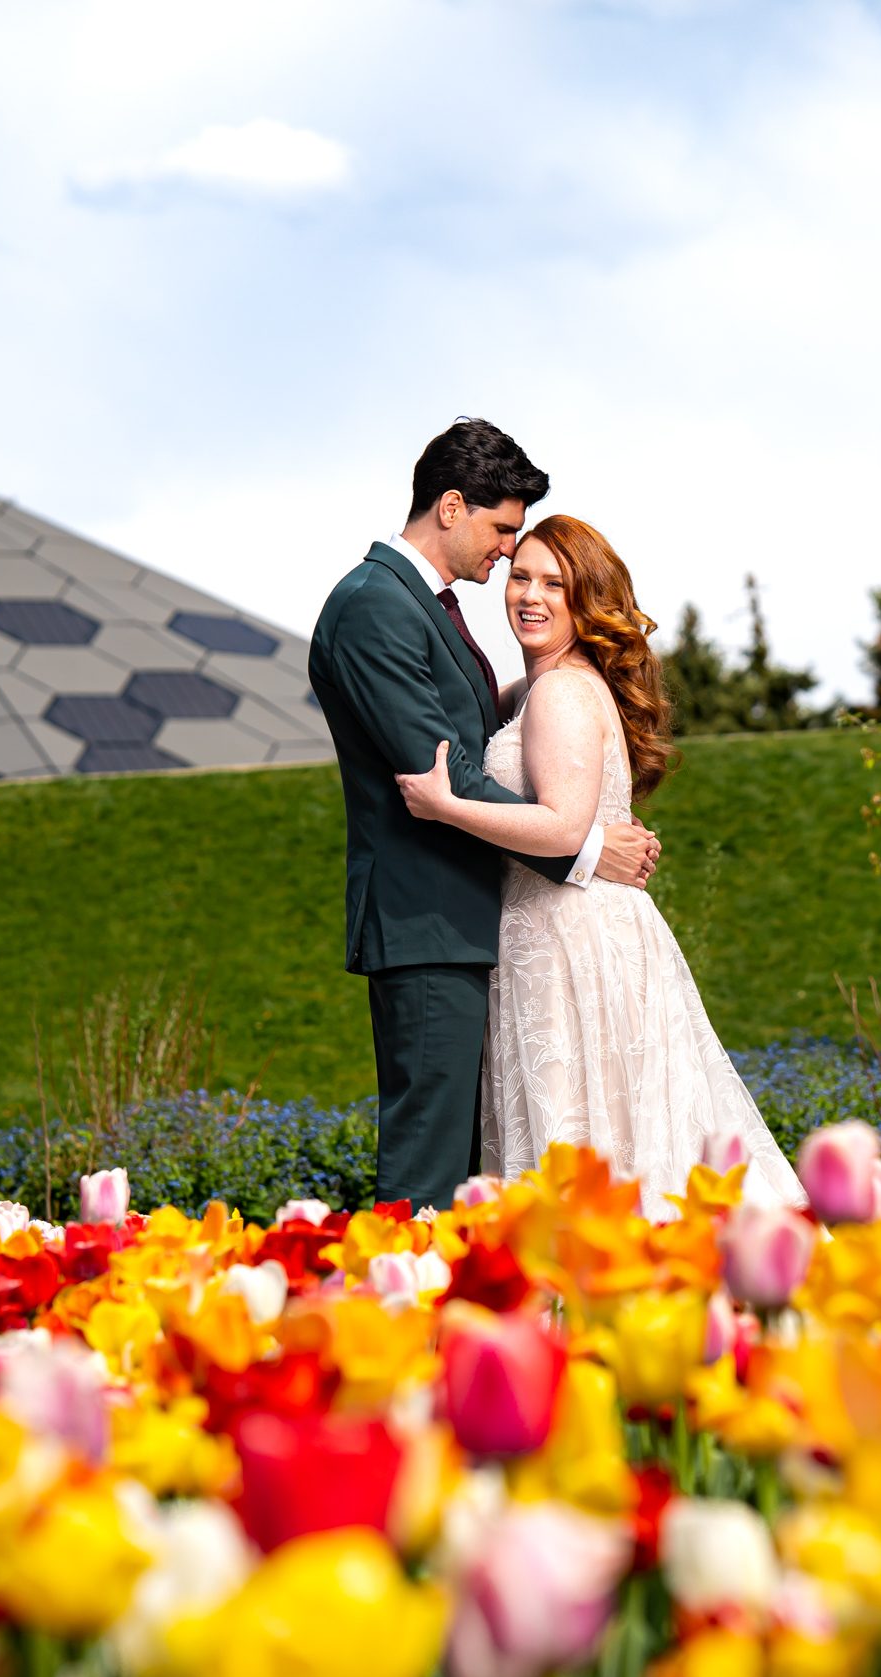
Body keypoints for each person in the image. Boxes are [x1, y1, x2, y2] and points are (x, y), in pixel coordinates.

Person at [395, 514, 806, 1218]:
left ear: (586, 600)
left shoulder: (559, 689)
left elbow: (561, 826)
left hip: (568, 936)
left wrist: (446, 807)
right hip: (571, 928)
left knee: (586, 1138)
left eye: (556, 584)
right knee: (614, 1133)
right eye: (521, 575)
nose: (531, 595)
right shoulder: (537, 690)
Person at [308, 421, 662, 1211]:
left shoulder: (422, 606)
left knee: (466, 1170)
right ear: (451, 505)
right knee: (428, 1175)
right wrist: (583, 846)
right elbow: (447, 772)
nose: (508, 551)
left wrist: (573, 679)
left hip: (464, 922)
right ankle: (402, 1320)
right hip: (424, 916)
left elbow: (481, 730)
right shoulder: (375, 607)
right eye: (502, 530)